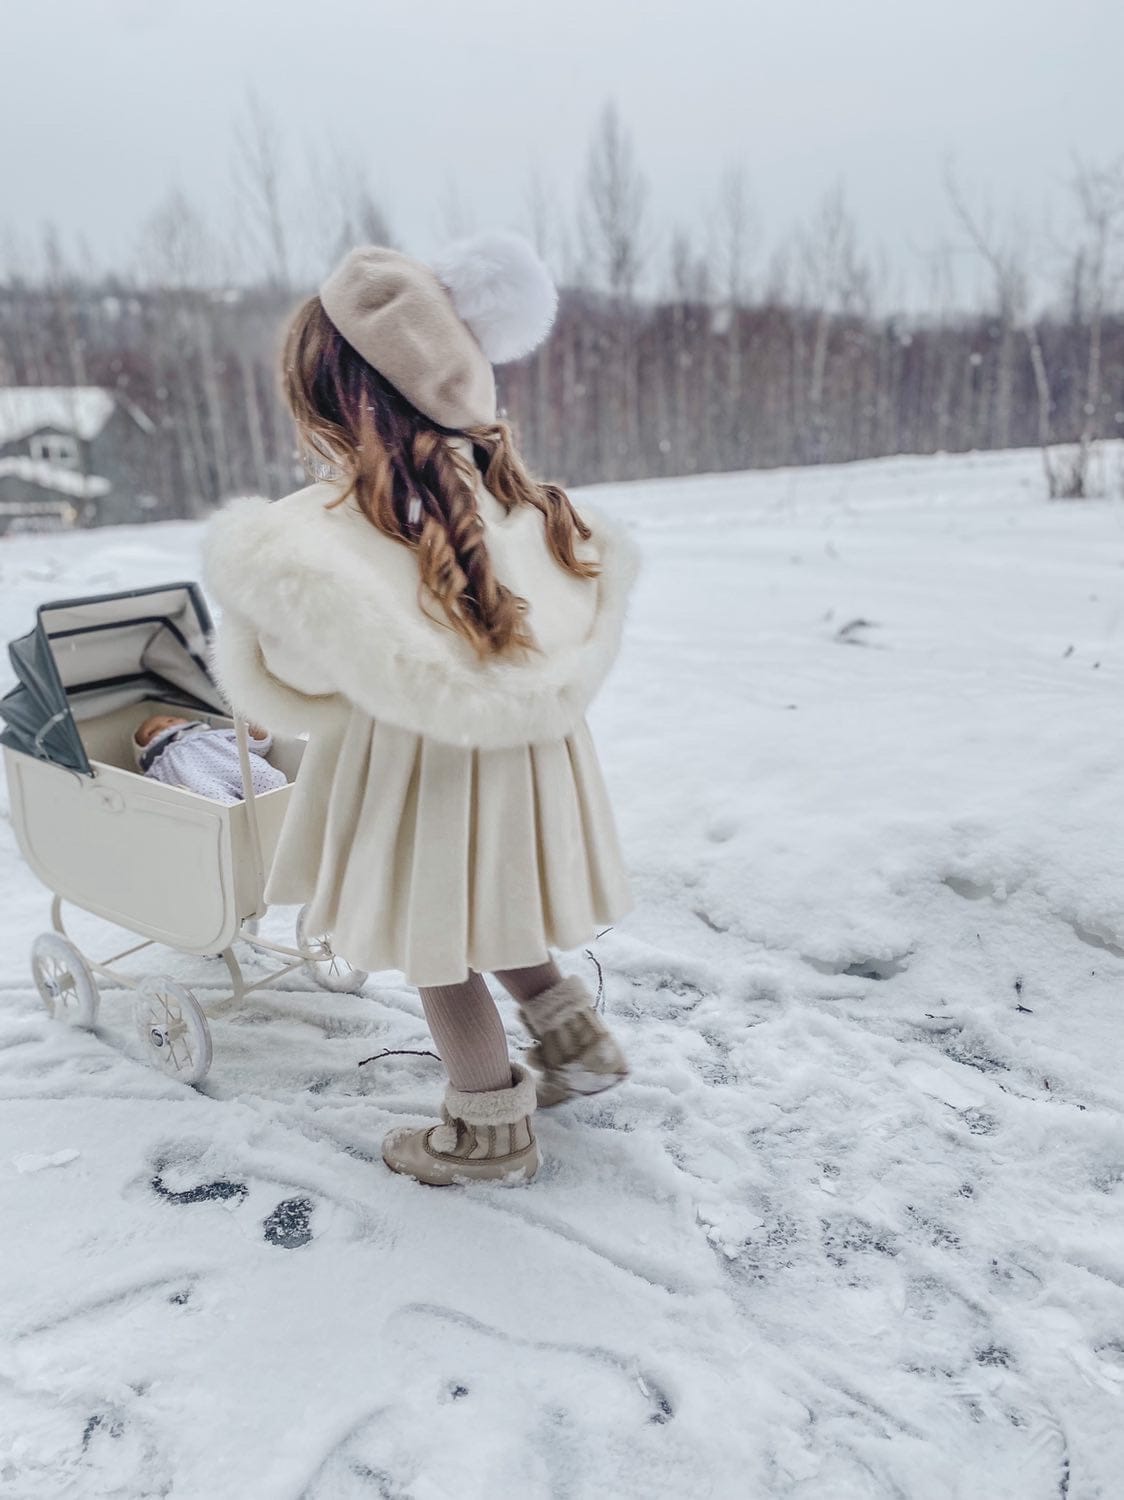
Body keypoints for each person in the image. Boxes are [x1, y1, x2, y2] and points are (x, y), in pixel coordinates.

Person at [202, 231, 639, 1185]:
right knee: (500, 906)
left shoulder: (328, 526)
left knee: (439, 942)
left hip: (420, 767)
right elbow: (552, 615)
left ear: (334, 395)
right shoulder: (517, 494)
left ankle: (487, 1132)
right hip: (530, 758)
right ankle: (576, 1046)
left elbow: (298, 674)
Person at [133, 713, 286, 804]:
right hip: (199, 781)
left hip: (233, 765)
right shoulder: (160, 764)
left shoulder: (212, 735)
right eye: (152, 731)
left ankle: (279, 804)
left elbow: (255, 747)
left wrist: (256, 733)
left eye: (170, 720)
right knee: (211, 799)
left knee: (260, 773)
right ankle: (238, 824)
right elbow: (152, 791)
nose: (164, 726)